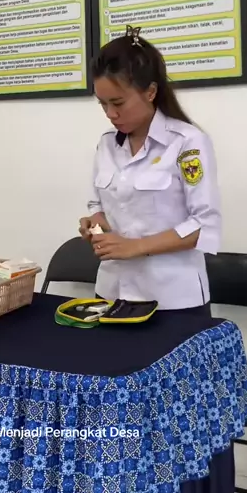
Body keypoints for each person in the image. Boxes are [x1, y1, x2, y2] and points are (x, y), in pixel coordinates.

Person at [79, 26, 221, 313]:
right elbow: (98, 205)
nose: (110, 114)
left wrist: (136, 246)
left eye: (118, 103)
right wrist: (95, 223)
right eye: (102, 104)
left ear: (151, 92)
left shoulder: (187, 143)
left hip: (171, 299)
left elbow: (204, 226)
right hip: (111, 292)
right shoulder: (107, 143)